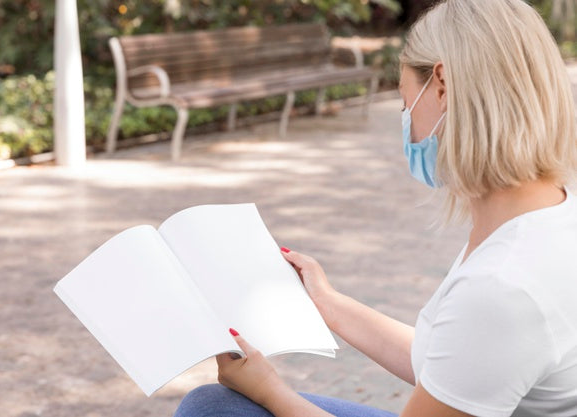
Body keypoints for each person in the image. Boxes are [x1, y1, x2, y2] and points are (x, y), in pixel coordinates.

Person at [174, 0, 577, 415]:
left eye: (406, 104)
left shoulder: (503, 287)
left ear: (442, 87)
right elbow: (452, 362)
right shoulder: (544, 216)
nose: (407, 123)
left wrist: (269, 391)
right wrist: (328, 305)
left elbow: (478, 332)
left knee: (211, 409)